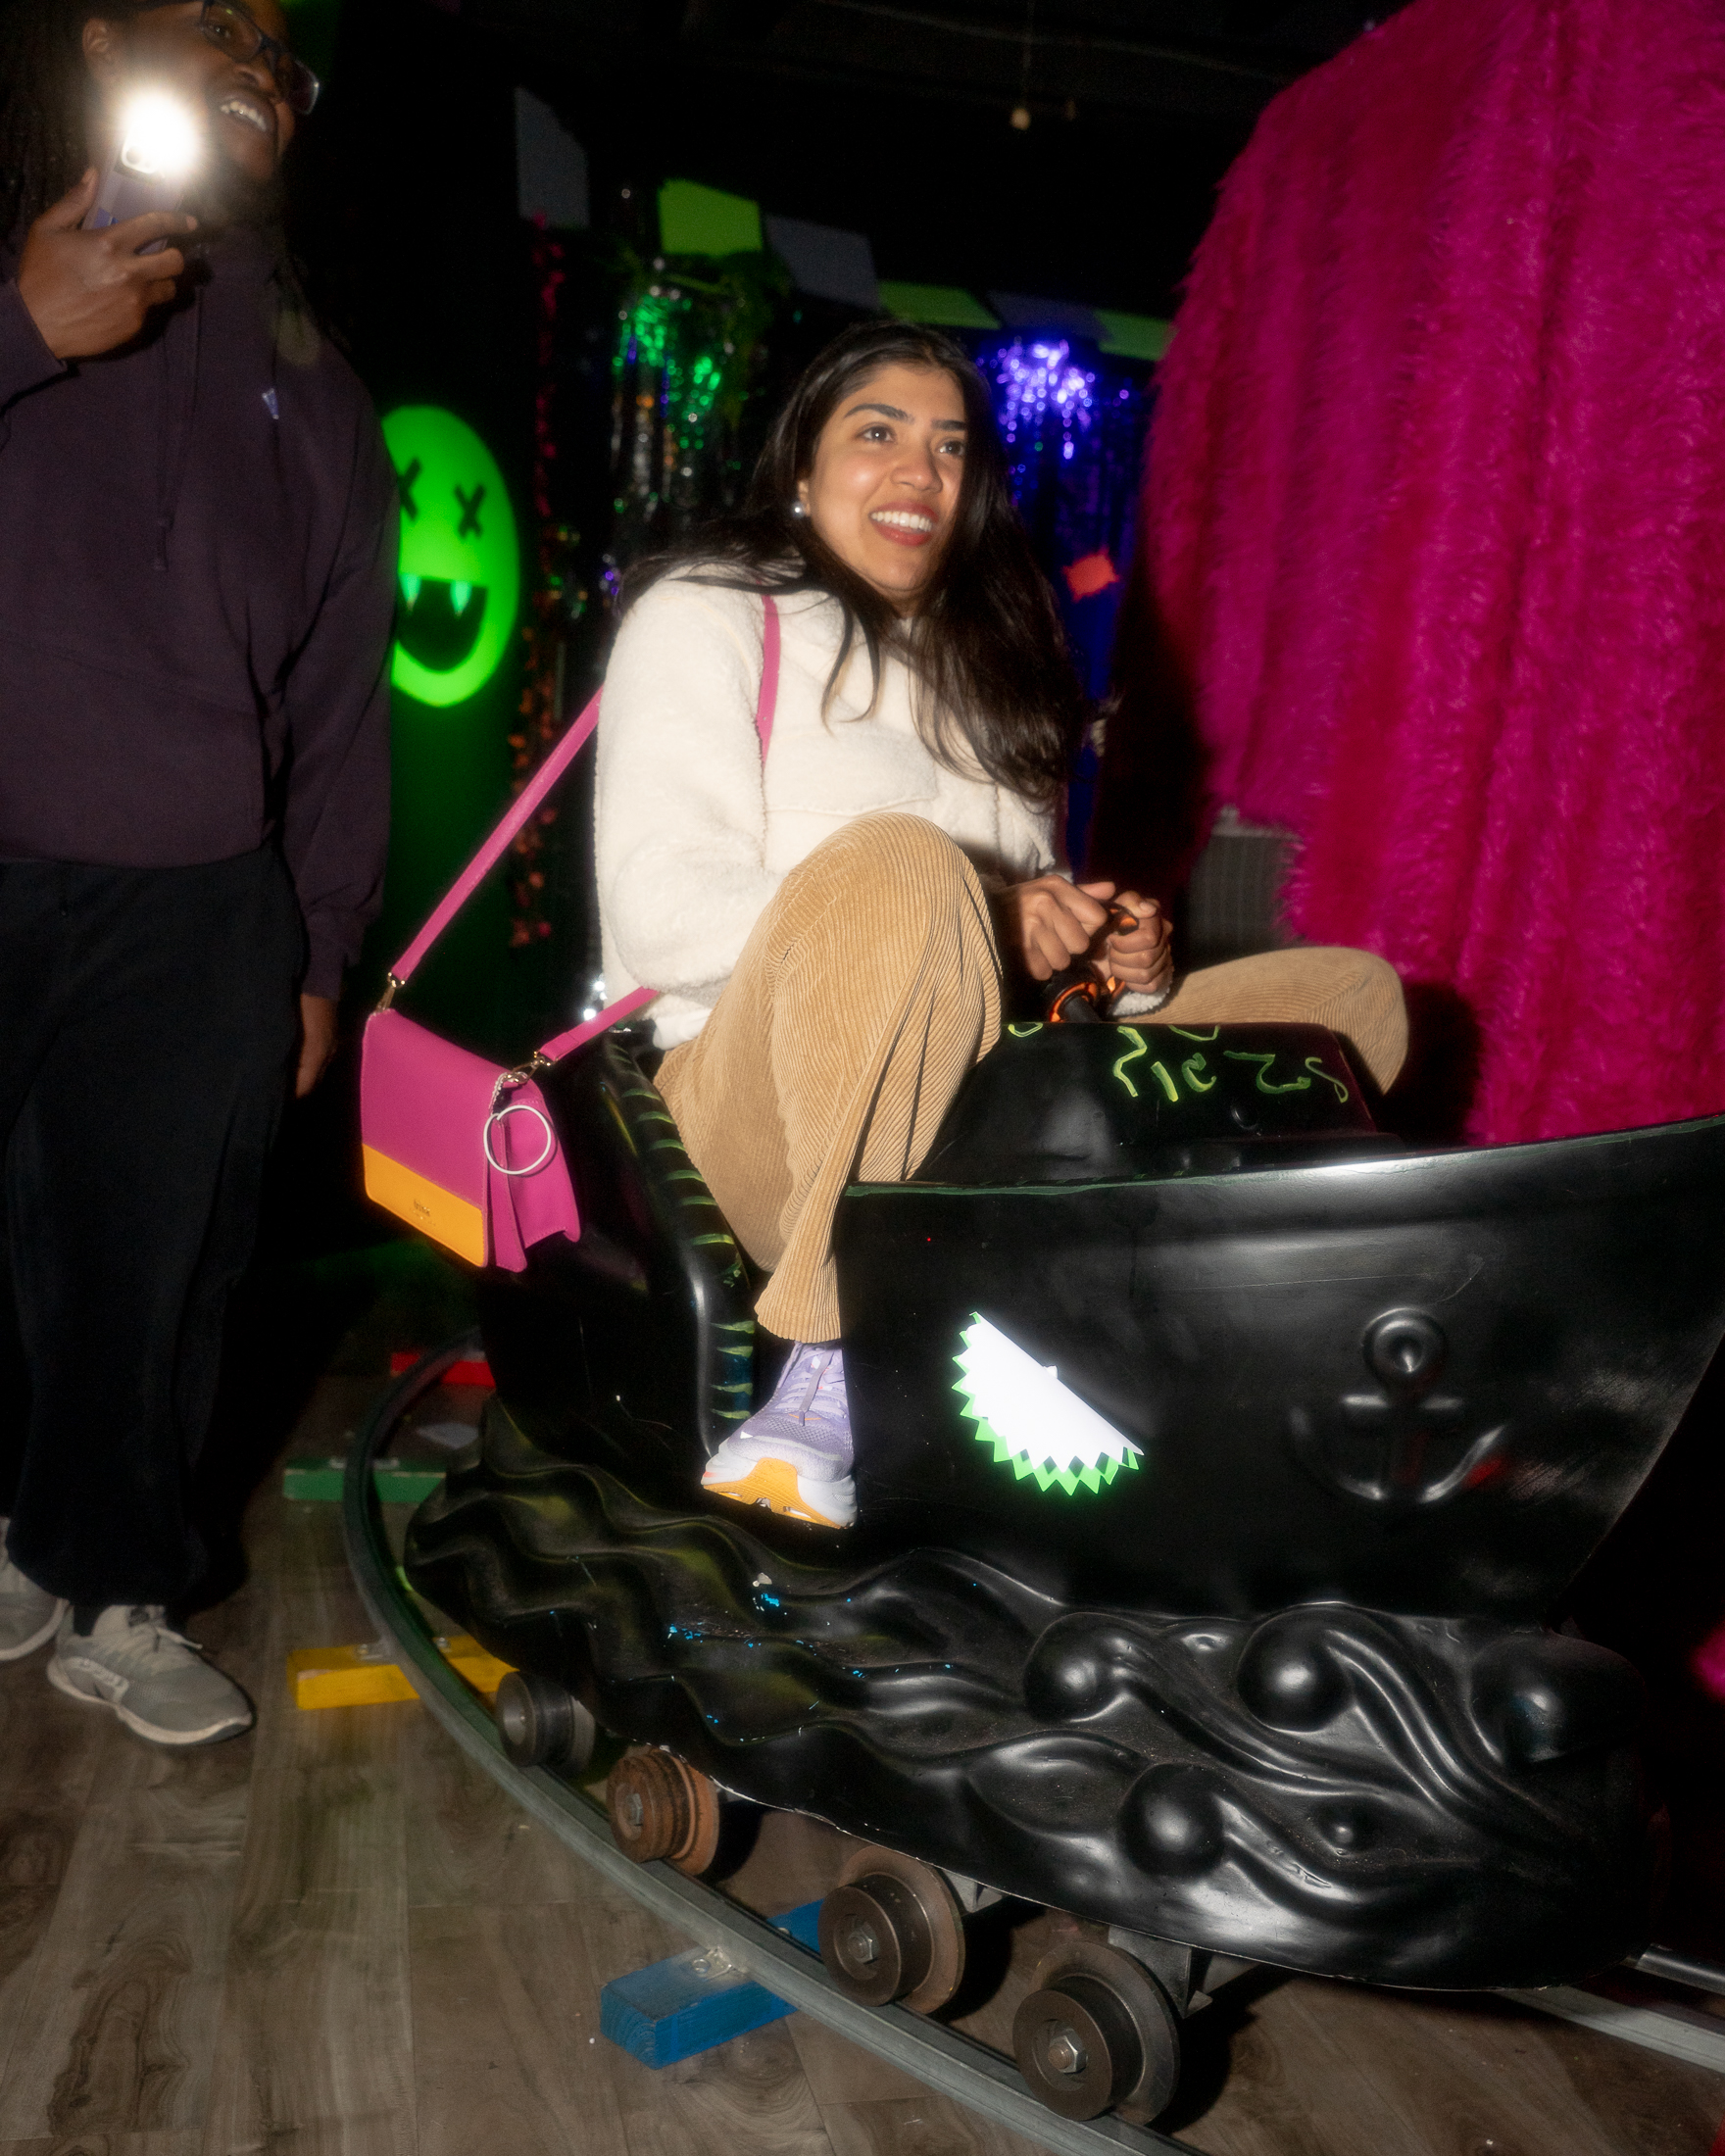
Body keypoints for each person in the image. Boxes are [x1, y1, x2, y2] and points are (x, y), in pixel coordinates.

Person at [596, 321, 1405, 1533]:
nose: (917, 473)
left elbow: (1025, 955)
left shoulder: (996, 664)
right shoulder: (708, 613)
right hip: (752, 1104)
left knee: (1351, 1003)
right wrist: (967, 911)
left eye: (949, 448)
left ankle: (1213, 1340)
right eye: (876, 434)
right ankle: (831, 1362)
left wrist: (1115, 962)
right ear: (801, 471)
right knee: (900, 865)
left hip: (976, 1096)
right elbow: (657, 912)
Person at [0, 0, 394, 1740]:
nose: (251, 51)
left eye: (281, 53)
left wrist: (314, 954)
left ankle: (119, 1581)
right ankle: (19, 1525)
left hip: (201, 903)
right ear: (104, 46)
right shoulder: (10, 277)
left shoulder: (322, 389)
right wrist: (17, 328)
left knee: (158, 1266)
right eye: (206, 13)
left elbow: (338, 708)